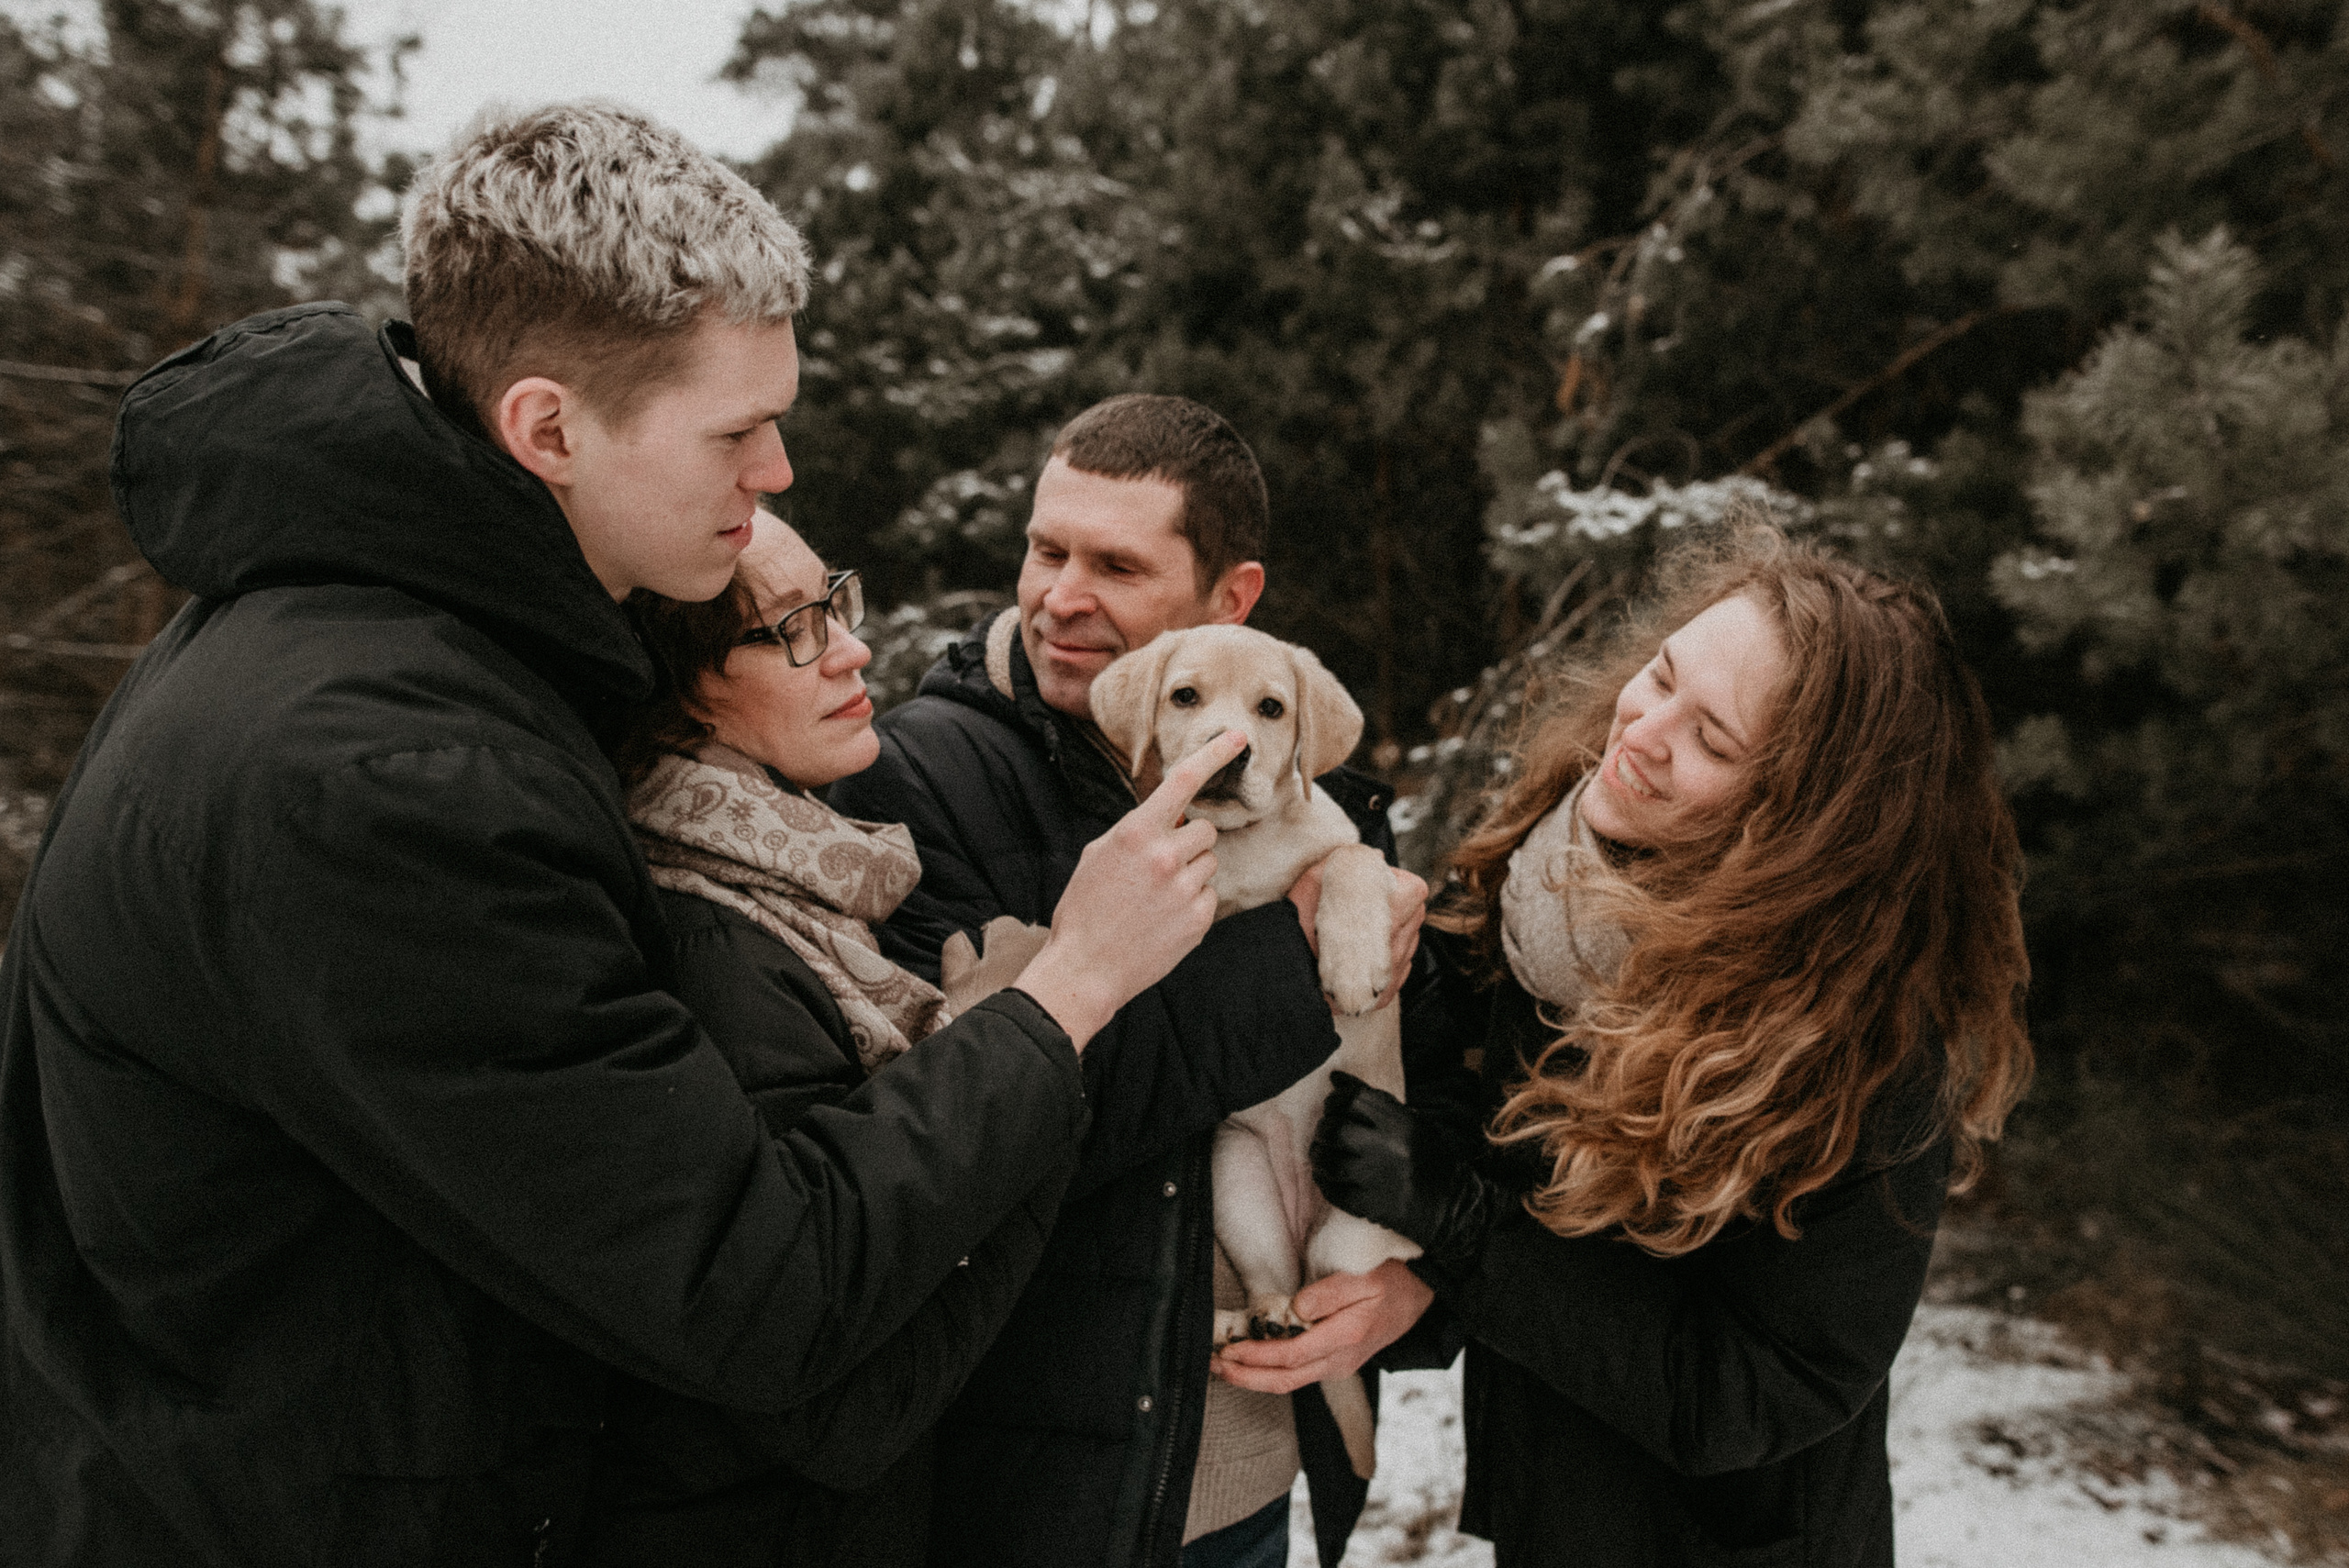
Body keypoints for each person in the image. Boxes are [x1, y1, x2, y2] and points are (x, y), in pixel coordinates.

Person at [0, 105, 1232, 1568]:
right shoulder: (395, 779)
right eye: (734, 431)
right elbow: (756, 1287)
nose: (775, 472)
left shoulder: (373, 627)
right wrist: (1071, 984)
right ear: (547, 427)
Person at [1309, 520, 2035, 1568]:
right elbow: (1494, 1134)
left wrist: (1461, 1228)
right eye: (1659, 676)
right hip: (1560, 1513)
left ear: (1804, 822)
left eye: (1714, 739)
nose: (1642, 730)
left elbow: (1752, 1386)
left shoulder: (1864, 1054)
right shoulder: (1556, 887)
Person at [828, 394, 1442, 1568]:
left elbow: (1421, 1076)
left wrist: (1419, 1293)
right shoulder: (918, 781)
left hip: (1241, 1481)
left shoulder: (1327, 800)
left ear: (1232, 597)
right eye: (1045, 550)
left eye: (1114, 564)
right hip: (1024, 1499)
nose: (1061, 595)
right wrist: (1288, 961)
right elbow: (979, 1135)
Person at [578, 510, 1079, 1566]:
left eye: (835, 599)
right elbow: (839, 1403)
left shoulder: (802, 883)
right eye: (790, 628)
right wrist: (1026, 1039)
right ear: (678, 688)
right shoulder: (707, 937)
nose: (849, 645)